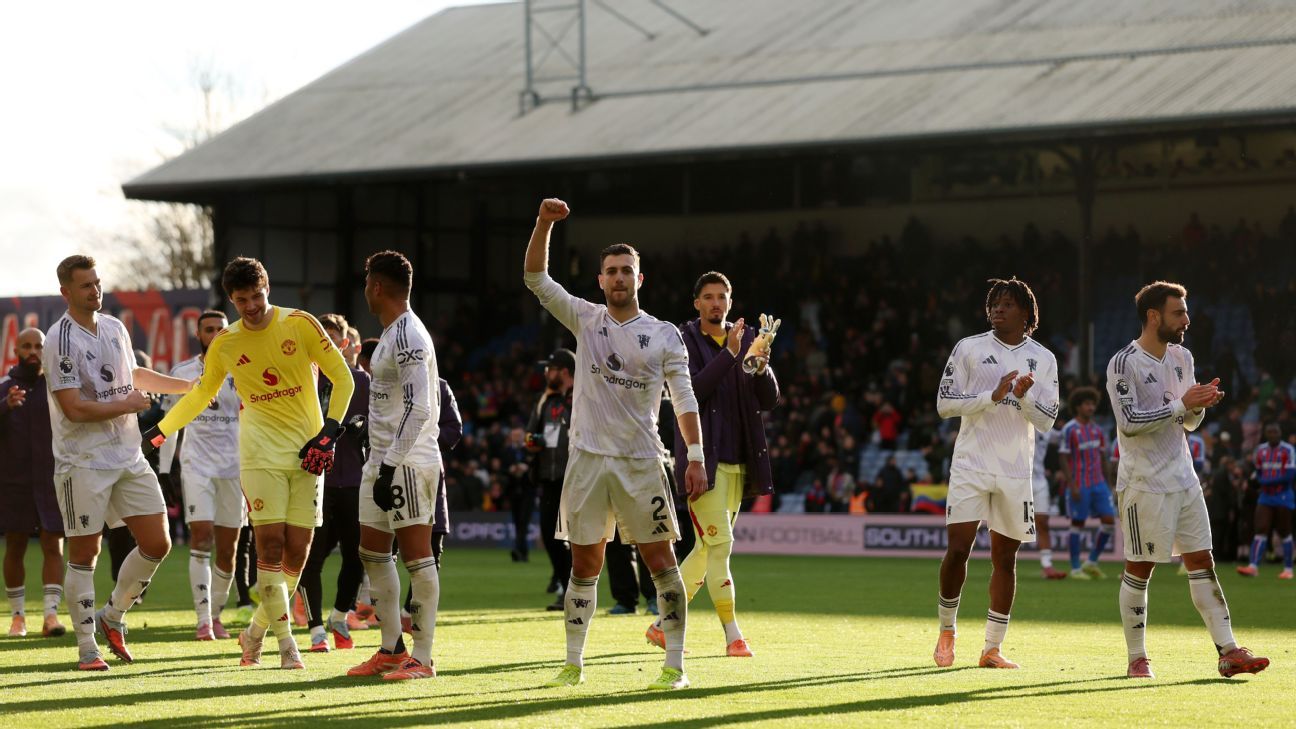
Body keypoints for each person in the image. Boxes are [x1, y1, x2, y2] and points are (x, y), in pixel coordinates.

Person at [525, 198, 707, 691]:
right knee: (585, 564)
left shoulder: (665, 335)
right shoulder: (585, 319)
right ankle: (572, 662)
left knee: (661, 563)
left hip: (642, 462)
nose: (620, 278)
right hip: (586, 462)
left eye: (628, 270)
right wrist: (544, 224)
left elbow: (684, 399)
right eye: (611, 271)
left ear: (639, 279)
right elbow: (536, 279)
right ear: (600, 281)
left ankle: (675, 665)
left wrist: (696, 456)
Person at [143, 256, 355, 670]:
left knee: (298, 553)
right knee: (270, 547)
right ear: (232, 300)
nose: (252, 306)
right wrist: (162, 430)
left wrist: (330, 433)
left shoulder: (301, 324)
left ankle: (254, 632)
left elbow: (342, 378)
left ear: (267, 287)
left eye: (256, 296)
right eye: (242, 301)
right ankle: (285, 644)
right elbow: (202, 394)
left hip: (309, 452)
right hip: (258, 454)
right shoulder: (226, 343)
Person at [1107, 280, 1268, 679]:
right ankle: (1137, 658)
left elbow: (1188, 423)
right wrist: (1183, 403)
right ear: (1153, 316)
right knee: (1140, 567)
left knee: (1202, 561)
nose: (1186, 320)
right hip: (1143, 482)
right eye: (1178, 312)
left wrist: (1199, 406)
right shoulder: (1124, 362)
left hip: (1183, 477)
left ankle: (1229, 650)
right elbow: (1128, 424)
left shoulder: (1182, 357)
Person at [45, 255, 194, 670]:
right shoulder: (59, 339)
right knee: (85, 552)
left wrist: (187, 387)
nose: (95, 290)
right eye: (85, 285)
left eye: (97, 282)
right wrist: (125, 404)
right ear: (66, 292)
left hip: (127, 455)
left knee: (157, 542)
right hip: (83, 461)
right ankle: (87, 648)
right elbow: (73, 408)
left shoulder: (114, 326)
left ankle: (112, 616)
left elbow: (135, 375)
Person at [645, 270, 779, 658]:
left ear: (730, 302)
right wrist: (730, 354)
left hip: (741, 462)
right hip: (702, 462)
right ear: (697, 303)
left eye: (722, 296)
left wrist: (761, 365)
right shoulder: (684, 340)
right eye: (708, 296)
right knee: (720, 547)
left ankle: (660, 625)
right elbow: (691, 391)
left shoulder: (749, 338)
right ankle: (733, 635)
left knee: (708, 550)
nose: (716, 302)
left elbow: (769, 400)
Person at [933, 277, 1059, 670]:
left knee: (1006, 558)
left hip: (1015, 470)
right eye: (994, 303)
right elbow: (944, 404)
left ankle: (991, 648)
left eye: (1007, 303)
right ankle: (947, 629)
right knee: (959, 549)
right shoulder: (969, 348)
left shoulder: (1044, 358)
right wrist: (992, 395)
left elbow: (1048, 420)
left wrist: (1021, 399)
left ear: (1026, 312)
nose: (997, 309)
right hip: (971, 463)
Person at [344, 250, 443, 682]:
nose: (365, 289)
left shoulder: (408, 337)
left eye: (367, 282)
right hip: (381, 460)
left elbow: (421, 407)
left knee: (418, 559)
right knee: (372, 552)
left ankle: (422, 659)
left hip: (407, 462)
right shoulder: (388, 333)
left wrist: (389, 466)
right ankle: (390, 649)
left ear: (378, 287)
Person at [158, 310, 243, 640]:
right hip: (197, 467)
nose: (215, 334)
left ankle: (217, 615)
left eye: (221, 329)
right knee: (202, 536)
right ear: (199, 334)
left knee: (228, 549)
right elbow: (172, 423)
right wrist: (166, 470)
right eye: (209, 330)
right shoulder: (183, 373)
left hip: (235, 469)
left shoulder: (243, 368)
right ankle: (202, 619)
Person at [298, 313, 371, 652]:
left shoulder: (363, 382)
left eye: (331, 341)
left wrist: (363, 428)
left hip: (355, 481)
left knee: (358, 557)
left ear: (344, 344)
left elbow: (381, 426)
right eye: (319, 341)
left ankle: (340, 615)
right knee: (309, 558)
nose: (325, 347)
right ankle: (315, 630)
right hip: (313, 482)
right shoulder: (302, 382)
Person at [1, 328, 66, 638]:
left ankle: (51, 616)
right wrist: (5, 407)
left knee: (54, 544)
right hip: (14, 483)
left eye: (38, 345)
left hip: (53, 479)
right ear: (15, 351)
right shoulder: (4, 387)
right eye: (26, 346)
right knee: (15, 546)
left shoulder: (59, 386)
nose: (33, 351)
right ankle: (18, 618)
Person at [525, 349, 575, 611]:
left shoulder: (581, 398)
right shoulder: (546, 401)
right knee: (550, 534)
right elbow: (530, 435)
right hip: (549, 478)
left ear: (564, 371)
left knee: (578, 538)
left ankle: (577, 592)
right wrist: (533, 443)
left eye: (551, 369)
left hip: (576, 478)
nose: (547, 374)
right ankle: (567, 589)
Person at [1058, 387, 1117, 580]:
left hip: (1099, 483)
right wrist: (1072, 485)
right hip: (1079, 483)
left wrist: (1109, 485)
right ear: (1077, 407)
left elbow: (1103, 458)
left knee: (1109, 522)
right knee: (1078, 523)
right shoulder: (1069, 430)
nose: (1091, 407)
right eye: (1087, 404)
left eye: (1093, 404)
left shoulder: (1097, 430)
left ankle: (1091, 561)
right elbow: (1063, 458)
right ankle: (1075, 568)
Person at [1237, 423, 1294, 578]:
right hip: (1266, 496)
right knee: (1260, 528)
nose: (1272, 435)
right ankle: (1253, 566)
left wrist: (1266, 482)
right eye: (1269, 432)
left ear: (1279, 433)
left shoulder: (1288, 450)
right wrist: (1251, 482)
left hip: (1283, 495)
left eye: (1275, 432)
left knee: (1284, 531)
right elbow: (1259, 472)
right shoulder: (1261, 450)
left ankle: (1288, 569)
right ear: (1266, 434)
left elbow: (1290, 475)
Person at [1032, 419, 1067, 579]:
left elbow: (1063, 437)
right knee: (1009, 525)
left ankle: (1047, 566)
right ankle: (1003, 564)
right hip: (1016, 479)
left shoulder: (1045, 427)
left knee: (1043, 523)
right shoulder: (1017, 420)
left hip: (1039, 480)